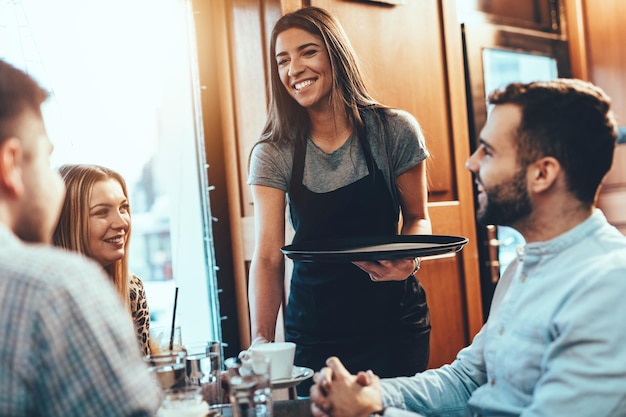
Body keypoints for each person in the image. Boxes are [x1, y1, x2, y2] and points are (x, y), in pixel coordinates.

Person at [309, 78, 626, 417]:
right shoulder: (521, 268)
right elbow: (466, 380)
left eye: (488, 151)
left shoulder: (609, 286)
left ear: (542, 174)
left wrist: (373, 412)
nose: (471, 163)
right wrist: (374, 393)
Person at [247, 6, 432, 395]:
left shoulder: (395, 131)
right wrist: (261, 341)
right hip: (315, 328)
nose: (293, 69)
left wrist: (409, 261)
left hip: (393, 321)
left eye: (307, 52)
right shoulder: (273, 151)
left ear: (336, 55)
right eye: (283, 60)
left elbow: (418, 219)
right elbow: (266, 257)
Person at [0, 59, 161, 416]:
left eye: (123, 208)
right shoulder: (56, 286)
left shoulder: (123, 287)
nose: (121, 222)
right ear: (11, 164)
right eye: (45, 159)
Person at [52, 163, 151, 355]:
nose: (122, 222)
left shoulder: (131, 289)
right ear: (67, 223)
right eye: (101, 212)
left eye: (123, 208)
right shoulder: (49, 300)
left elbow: (144, 371)